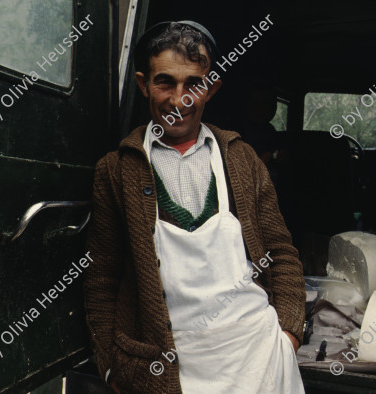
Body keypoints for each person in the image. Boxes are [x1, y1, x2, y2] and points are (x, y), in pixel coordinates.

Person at [83, 20, 306, 393]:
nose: (178, 99)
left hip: (258, 356)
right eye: (165, 82)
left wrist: (288, 334)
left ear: (211, 88)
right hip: (170, 366)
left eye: (194, 84)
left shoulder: (242, 159)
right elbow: (101, 279)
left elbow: (281, 253)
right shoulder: (117, 170)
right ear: (143, 84)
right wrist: (111, 368)